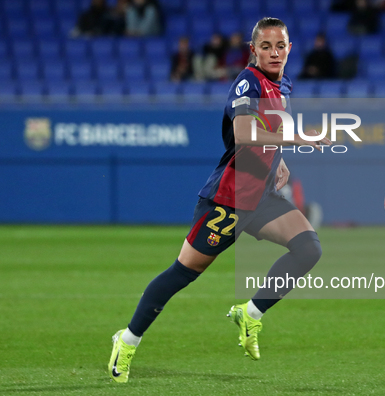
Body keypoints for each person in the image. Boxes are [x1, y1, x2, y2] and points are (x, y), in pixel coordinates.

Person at [108, 17, 330, 383]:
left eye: (280, 46)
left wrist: (280, 159)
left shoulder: (281, 84)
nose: (274, 52)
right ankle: (127, 340)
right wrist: (298, 139)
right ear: (253, 50)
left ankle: (251, 314)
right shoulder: (248, 81)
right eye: (266, 46)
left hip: (262, 195)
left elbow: (267, 130)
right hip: (229, 199)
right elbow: (244, 132)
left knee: (308, 249)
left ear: (290, 49)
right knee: (183, 272)